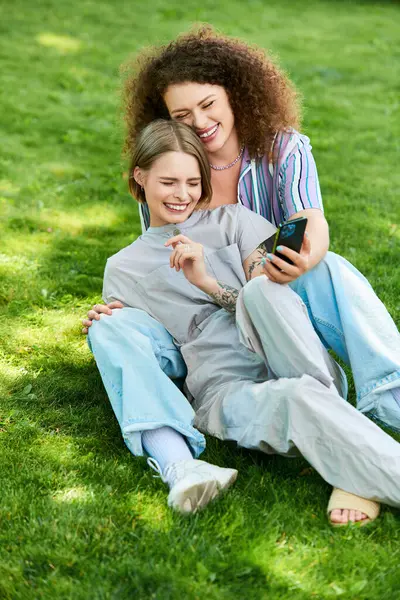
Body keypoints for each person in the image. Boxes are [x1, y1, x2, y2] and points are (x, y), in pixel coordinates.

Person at [83, 27, 400, 524]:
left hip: (283, 309)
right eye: (182, 116)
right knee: (295, 392)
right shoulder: (131, 253)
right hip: (227, 388)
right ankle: (345, 449)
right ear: (141, 180)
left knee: (287, 286)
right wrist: (116, 318)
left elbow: (304, 227)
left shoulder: (255, 187)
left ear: (235, 92)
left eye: (192, 182)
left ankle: (386, 400)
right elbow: (155, 297)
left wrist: (229, 277)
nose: (183, 193)